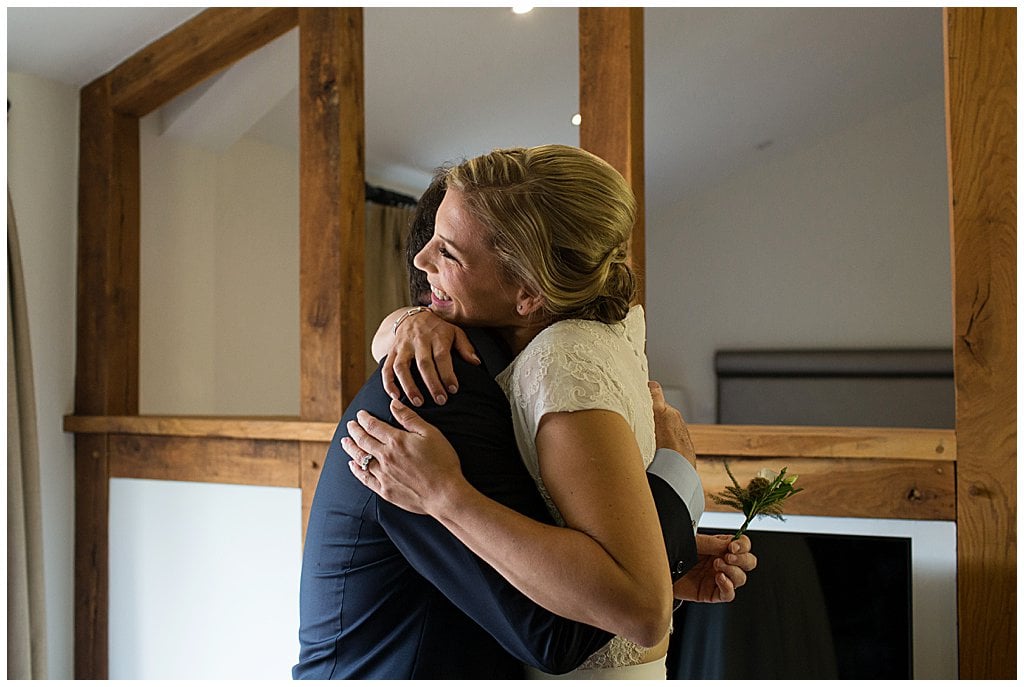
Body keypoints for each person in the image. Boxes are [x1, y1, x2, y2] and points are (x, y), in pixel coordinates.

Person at [294, 168, 757, 679]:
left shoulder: (506, 373)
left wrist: (662, 557)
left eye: (447, 251)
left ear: (528, 292)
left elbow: (548, 566)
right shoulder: (433, 391)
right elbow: (560, 634)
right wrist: (676, 477)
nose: (423, 259)